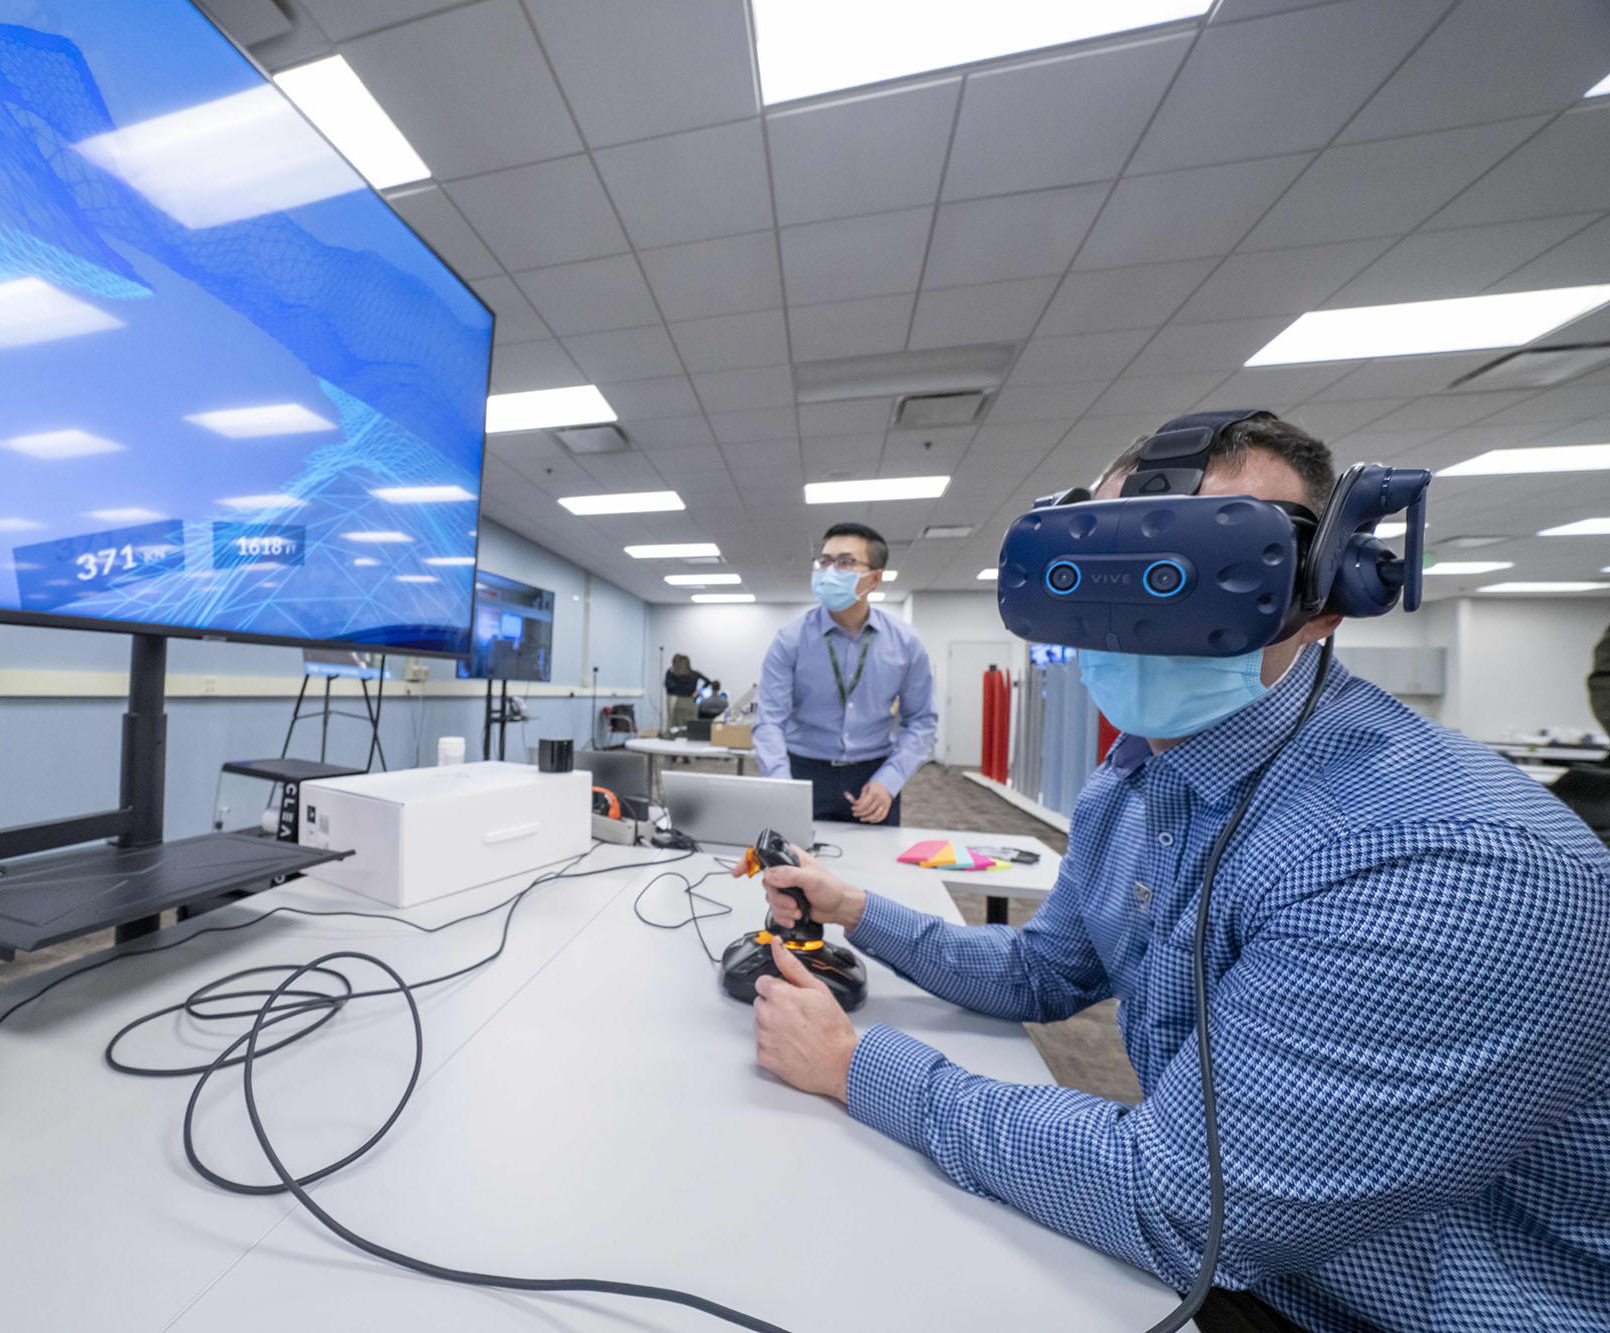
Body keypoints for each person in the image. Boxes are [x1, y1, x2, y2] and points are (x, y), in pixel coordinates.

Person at [737, 416, 1610, 1333]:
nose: (1137, 616)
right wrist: (858, 909)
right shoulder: (1134, 777)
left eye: (1202, 570)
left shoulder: (1444, 860)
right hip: (1235, 1271)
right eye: (1104, 571)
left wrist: (856, 1064)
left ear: (1326, 591)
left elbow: (1184, 1202)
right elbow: (1045, 971)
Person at [751, 522, 937, 826]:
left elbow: (921, 721)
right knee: (795, 867)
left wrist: (890, 780)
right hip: (803, 771)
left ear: (874, 579)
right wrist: (780, 783)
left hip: (873, 776)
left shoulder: (906, 643)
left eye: (846, 562)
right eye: (824, 561)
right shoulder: (790, 639)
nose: (829, 571)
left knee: (874, 868)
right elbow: (769, 720)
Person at [663, 653, 712, 733]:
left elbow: (668, 686)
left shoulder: (673, 674)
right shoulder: (695, 674)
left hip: (679, 701)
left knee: (676, 725)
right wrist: (698, 691)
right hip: (692, 702)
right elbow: (708, 682)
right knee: (691, 725)